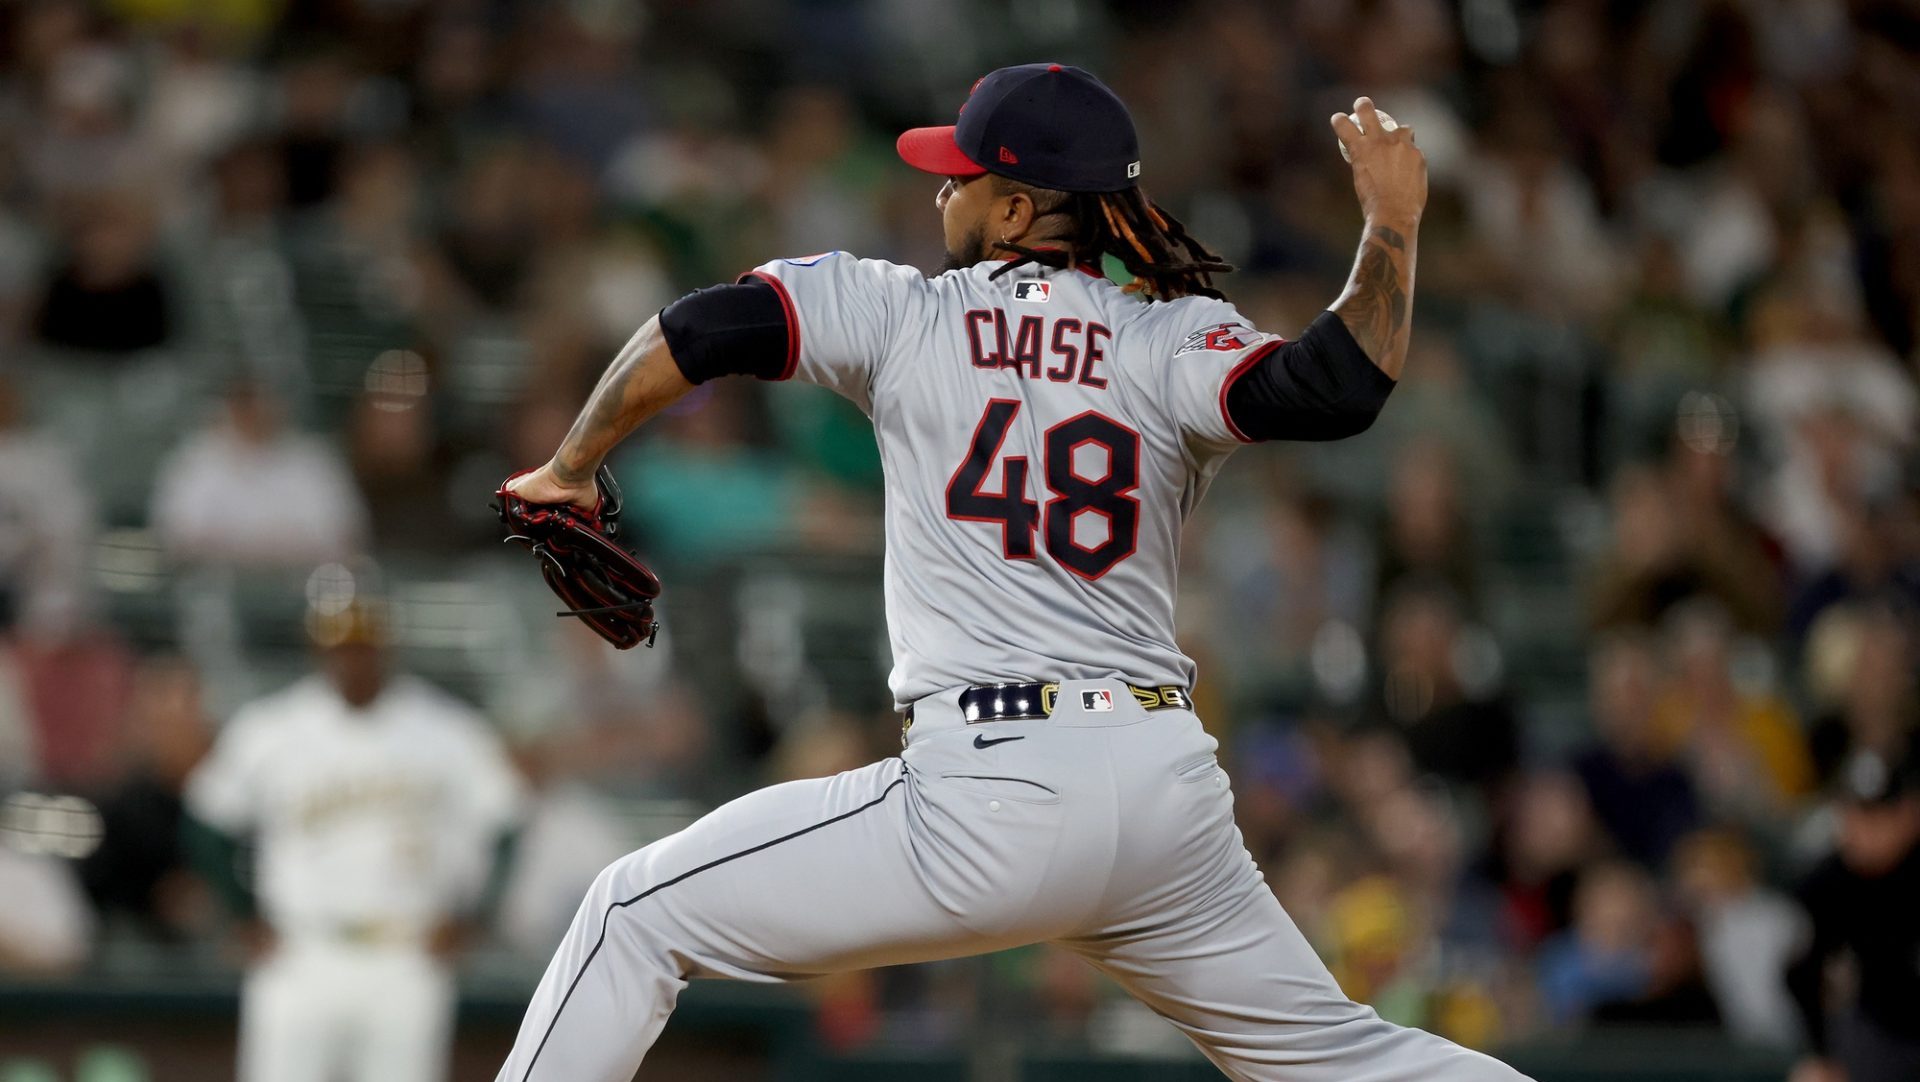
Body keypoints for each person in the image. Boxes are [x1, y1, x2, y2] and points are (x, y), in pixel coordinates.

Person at [495, 64, 1528, 1081]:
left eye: (963, 174)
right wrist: (1392, 221)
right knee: (1349, 1059)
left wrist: (572, 465)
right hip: (1163, 793)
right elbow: (1336, 389)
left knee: (631, 912)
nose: (942, 187)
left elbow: (701, 328)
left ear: (1018, 207)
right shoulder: (1169, 338)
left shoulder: (903, 311)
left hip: (989, 792)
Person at [183, 590, 524, 1082]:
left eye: (362, 646)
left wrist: (475, 917)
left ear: (386, 648)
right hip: (302, 951)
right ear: (318, 652)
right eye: (339, 647)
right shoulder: (273, 728)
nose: (351, 659)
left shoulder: (448, 729)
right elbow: (207, 819)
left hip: (407, 954)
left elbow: (508, 823)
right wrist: (240, 914)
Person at [1785, 747, 1920, 1082]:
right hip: (1878, 1034)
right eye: (1856, 814)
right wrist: (1821, 1054)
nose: (1864, 828)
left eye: (1878, 815)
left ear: (1910, 813)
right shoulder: (1826, 886)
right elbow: (1802, 973)